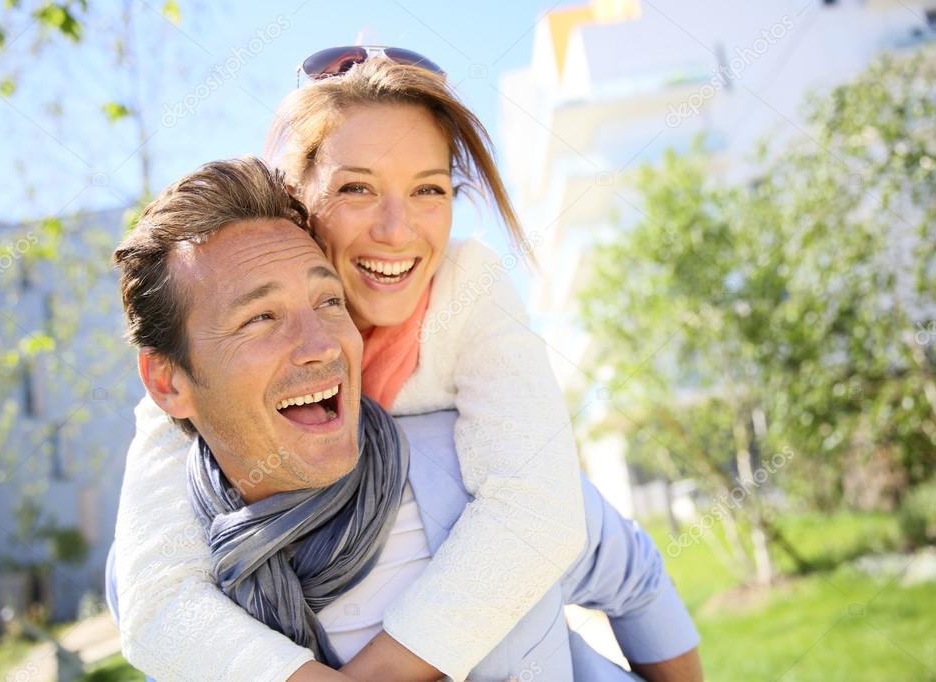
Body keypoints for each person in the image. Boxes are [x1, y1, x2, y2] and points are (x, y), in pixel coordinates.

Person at [111, 51, 689, 681]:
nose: (396, 229)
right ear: (299, 201)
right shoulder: (198, 362)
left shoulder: (466, 292)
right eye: (356, 187)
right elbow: (151, 593)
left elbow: (541, 512)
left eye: (429, 189)